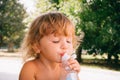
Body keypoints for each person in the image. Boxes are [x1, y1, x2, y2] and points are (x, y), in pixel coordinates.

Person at [19, 12, 80, 80]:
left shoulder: (67, 68)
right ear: (37, 46)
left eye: (68, 41)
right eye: (56, 41)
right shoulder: (31, 68)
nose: (65, 46)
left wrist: (75, 75)